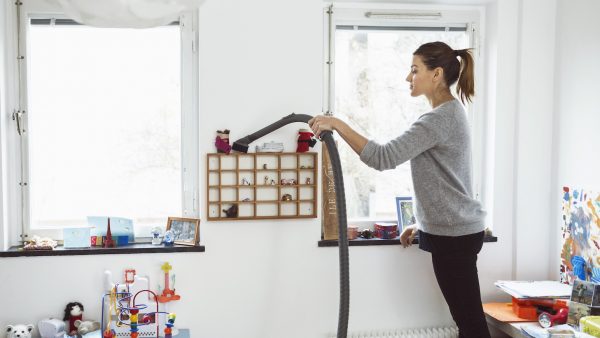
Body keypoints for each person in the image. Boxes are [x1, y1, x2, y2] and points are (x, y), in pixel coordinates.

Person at [309, 41, 490, 338]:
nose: (409, 77)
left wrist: (337, 123)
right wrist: (424, 226)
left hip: (455, 236)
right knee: (465, 319)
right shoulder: (449, 114)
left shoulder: (439, 118)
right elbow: (449, 178)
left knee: (470, 323)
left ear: (437, 74)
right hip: (451, 231)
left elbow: (383, 157)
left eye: (414, 69)